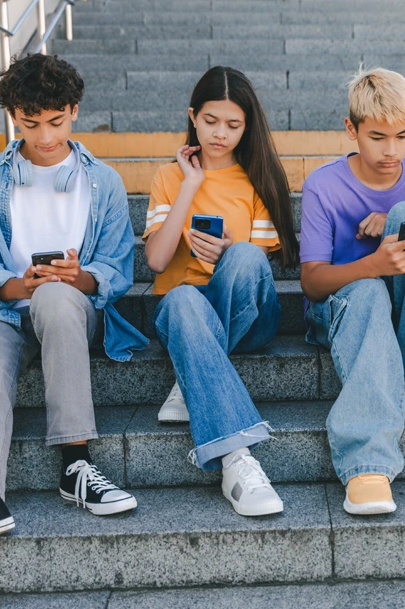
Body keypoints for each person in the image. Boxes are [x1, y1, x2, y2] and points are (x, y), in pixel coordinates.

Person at [0, 53, 146, 554]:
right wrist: (18, 286)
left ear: (74, 110)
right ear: (14, 116)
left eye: (55, 121)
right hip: (2, 311)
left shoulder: (104, 182)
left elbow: (120, 268)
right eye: (29, 123)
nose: (44, 136)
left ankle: (75, 464)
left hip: (72, 311)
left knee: (57, 296)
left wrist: (80, 279)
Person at [299, 67, 405, 515]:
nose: (391, 151)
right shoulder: (324, 185)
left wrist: (398, 222)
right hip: (342, 309)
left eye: (402, 136)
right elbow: (311, 283)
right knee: (369, 291)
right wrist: (373, 263)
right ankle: (367, 463)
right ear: (351, 129)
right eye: (377, 137)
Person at [143, 66, 299, 516]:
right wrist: (191, 185)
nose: (220, 134)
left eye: (233, 125)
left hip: (248, 319)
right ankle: (237, 463)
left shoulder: (256, 180)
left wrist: (229, 251)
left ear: (247, 127)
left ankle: (189, 371)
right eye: (211, 121)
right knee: (185, 300)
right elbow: (155, 261)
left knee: (246, 257)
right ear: (193, 117)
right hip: (183, 313)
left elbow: (257, 272)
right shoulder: (169, 178)